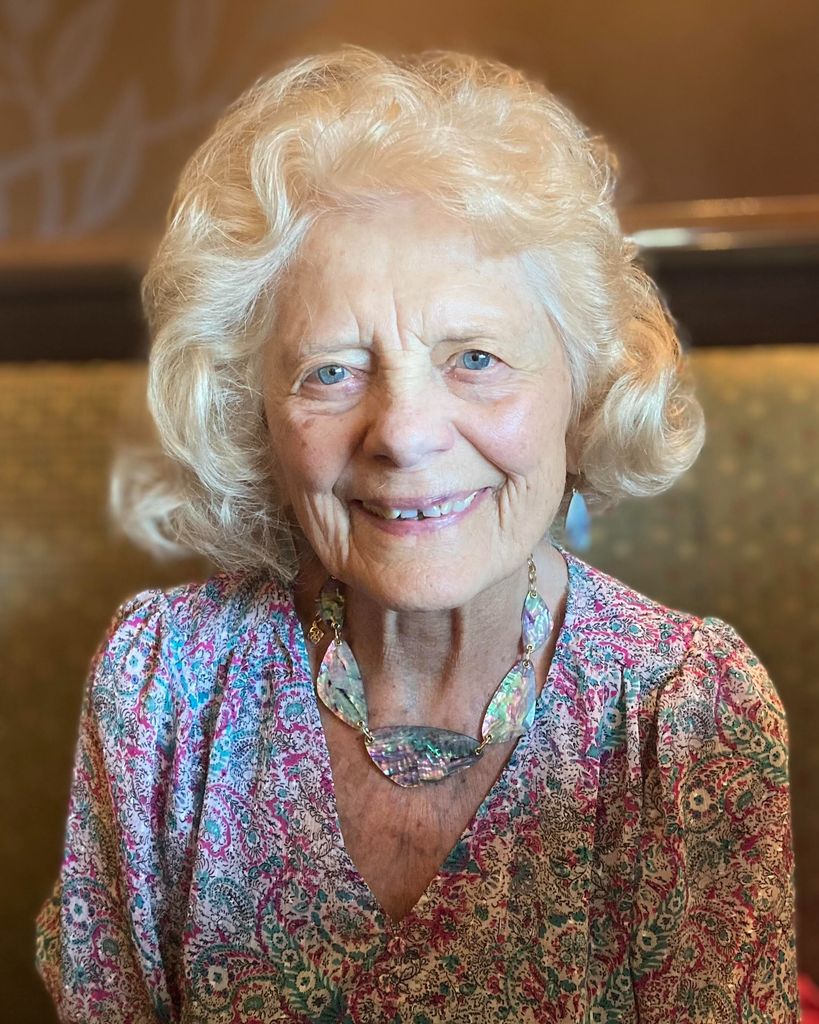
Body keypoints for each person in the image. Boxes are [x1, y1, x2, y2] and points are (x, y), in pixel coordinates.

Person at [36, 47, 798, 1023]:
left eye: (474, 358)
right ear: (254, 417)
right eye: (330, 371)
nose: (401, 431)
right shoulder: (163, 686)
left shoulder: (688, 714)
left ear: (583, 394)